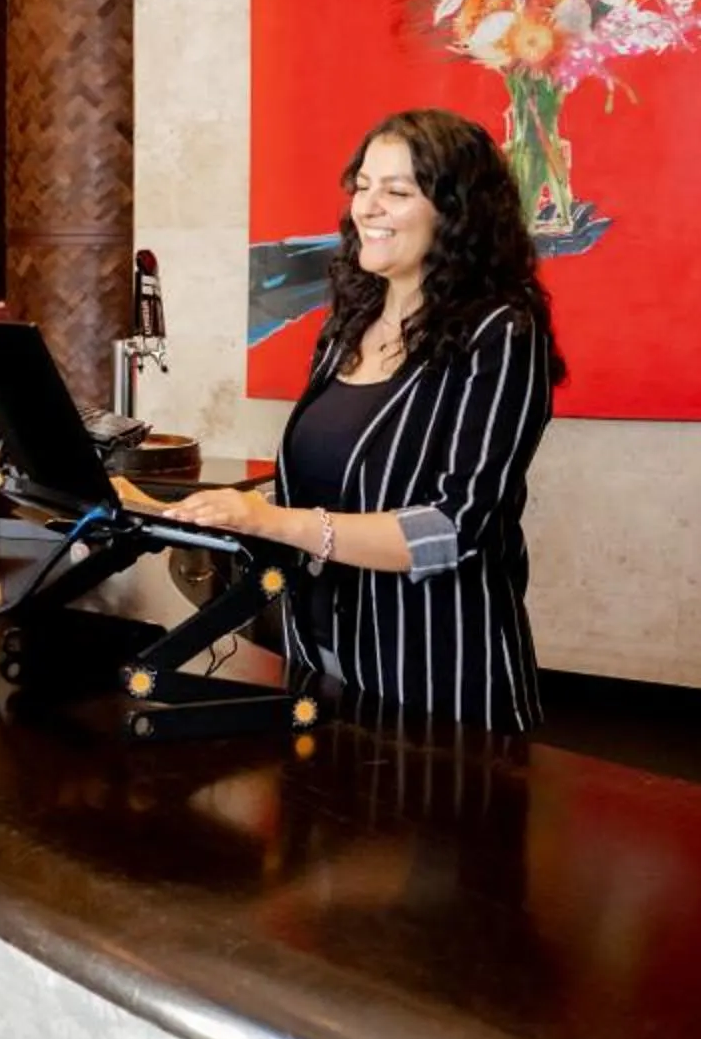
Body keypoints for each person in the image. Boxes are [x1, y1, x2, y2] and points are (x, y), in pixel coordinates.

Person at [162, 107, 563, 732]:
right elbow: (330, 486)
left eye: (398, 191)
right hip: (317, 652)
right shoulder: (349, 321)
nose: (368, 207)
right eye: (363, 186)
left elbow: (455, 527)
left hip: (436, 677)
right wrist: (215, 511)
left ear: (456, 213)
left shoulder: (502, 333)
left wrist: (277, 520)